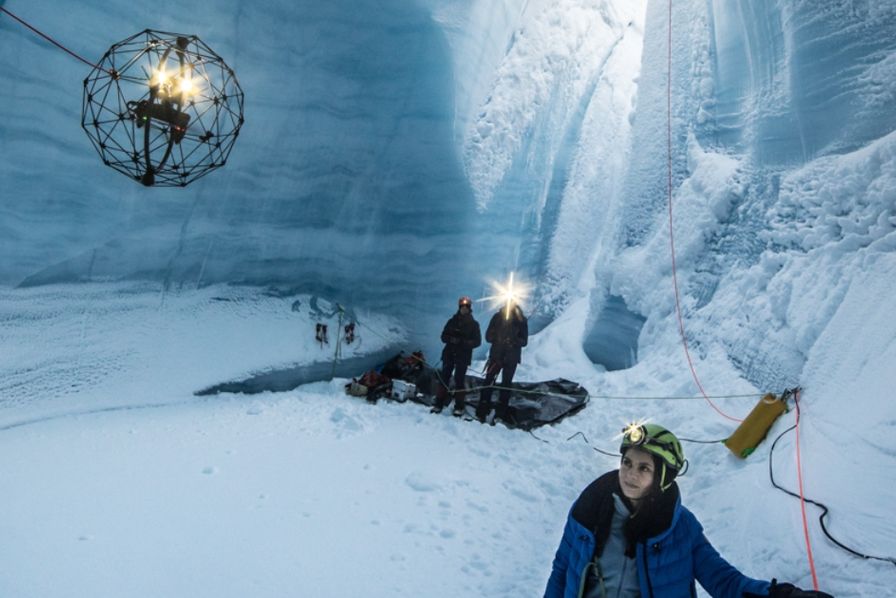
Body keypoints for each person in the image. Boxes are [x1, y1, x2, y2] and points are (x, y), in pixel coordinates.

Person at [544, 423, 834, 598]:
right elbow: (562, 570)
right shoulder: (587, 513)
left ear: (662, 478)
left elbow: (724, 581)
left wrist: (778, 594)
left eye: (644, 468)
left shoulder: (681, 528)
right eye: (627, 463)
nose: (630, 474)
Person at [475, 301, 528, 425]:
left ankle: (500, 414)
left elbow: (524, 341)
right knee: (488, 382)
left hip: (510, 358)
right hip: (496, 357)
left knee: (505, 385)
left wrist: (513, 340)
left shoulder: (521, 320)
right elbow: (488, 337)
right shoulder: (497, 317)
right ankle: (482, 411)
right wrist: (498, 337)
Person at [431, 296, 481, 416]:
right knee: (444, 378)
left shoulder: (474, 324)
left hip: (463, 356)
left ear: (469, 308)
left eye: (466, 307)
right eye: (462, 307)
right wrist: (451, 339)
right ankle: (438, 403)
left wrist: (463, 342)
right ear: (459, 308)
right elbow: (443, 336)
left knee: (459, 380)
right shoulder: (452, 321)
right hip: (449, 354)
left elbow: (477, 342)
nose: (464, 309)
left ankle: (459, 406)